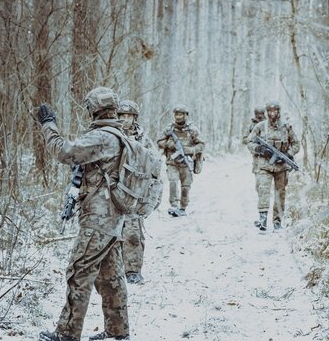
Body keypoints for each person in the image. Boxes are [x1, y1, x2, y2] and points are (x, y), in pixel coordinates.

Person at [36, 87, 130, 341]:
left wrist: (48, 125)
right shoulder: (119, 134)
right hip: (113, 218)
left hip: (99, 219)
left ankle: (66, 333)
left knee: (79, 271)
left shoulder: (102, 137)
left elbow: (65, 152)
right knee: (110, 276)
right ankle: (118, 332)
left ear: (93, 109)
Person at [247, 101, 300, 231]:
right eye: (269, 111)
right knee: (263, 191)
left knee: (280, 194)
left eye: (275, 111)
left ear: (278, 112)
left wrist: (288, 154)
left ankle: (277, 222)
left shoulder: (286, 128)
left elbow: (296, 144)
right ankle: (262, 220)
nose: (272, 113)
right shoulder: (260, 127)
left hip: (281, 168)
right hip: (264, 165)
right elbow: (249, 142)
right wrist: (260, 149)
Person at [117, 100, 150, 284]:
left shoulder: (143, 139)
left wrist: (151, 196)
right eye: (121, 115)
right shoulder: (111, 135)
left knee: (133, 233)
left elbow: (153, 168)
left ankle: (133, 270)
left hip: (134, 193)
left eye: (128, 116)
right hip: (111, 191)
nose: (124, 119)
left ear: (134, 117)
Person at [156, 105, 205, 217]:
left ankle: (183, 207)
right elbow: (159, 141)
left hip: (186, 162)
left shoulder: (192, 129)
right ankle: (174, 205)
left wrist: (190, 150)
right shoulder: (169, 129)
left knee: (185, 186)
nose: (178, 117)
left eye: (180, 114)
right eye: (176, 114)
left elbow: (202, 144)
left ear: (185, 115)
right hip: (172, 162)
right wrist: (168, 144)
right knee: (173, 182)